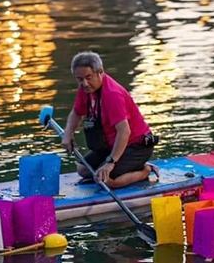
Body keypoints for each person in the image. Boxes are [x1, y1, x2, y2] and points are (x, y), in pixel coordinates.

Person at [61, 51, 159, 188]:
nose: (85, 83)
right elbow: (76, 113)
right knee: (83, 170)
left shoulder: (112, 95)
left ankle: (144, 170)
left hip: (135, 146)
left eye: (89, 77)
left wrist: (110, 163)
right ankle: (128, 165)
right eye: (80, 79)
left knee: (105, 180)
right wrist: (68, 133)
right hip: (110, 144)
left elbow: (124, 131)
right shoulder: (85, 89)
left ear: (100, 72)